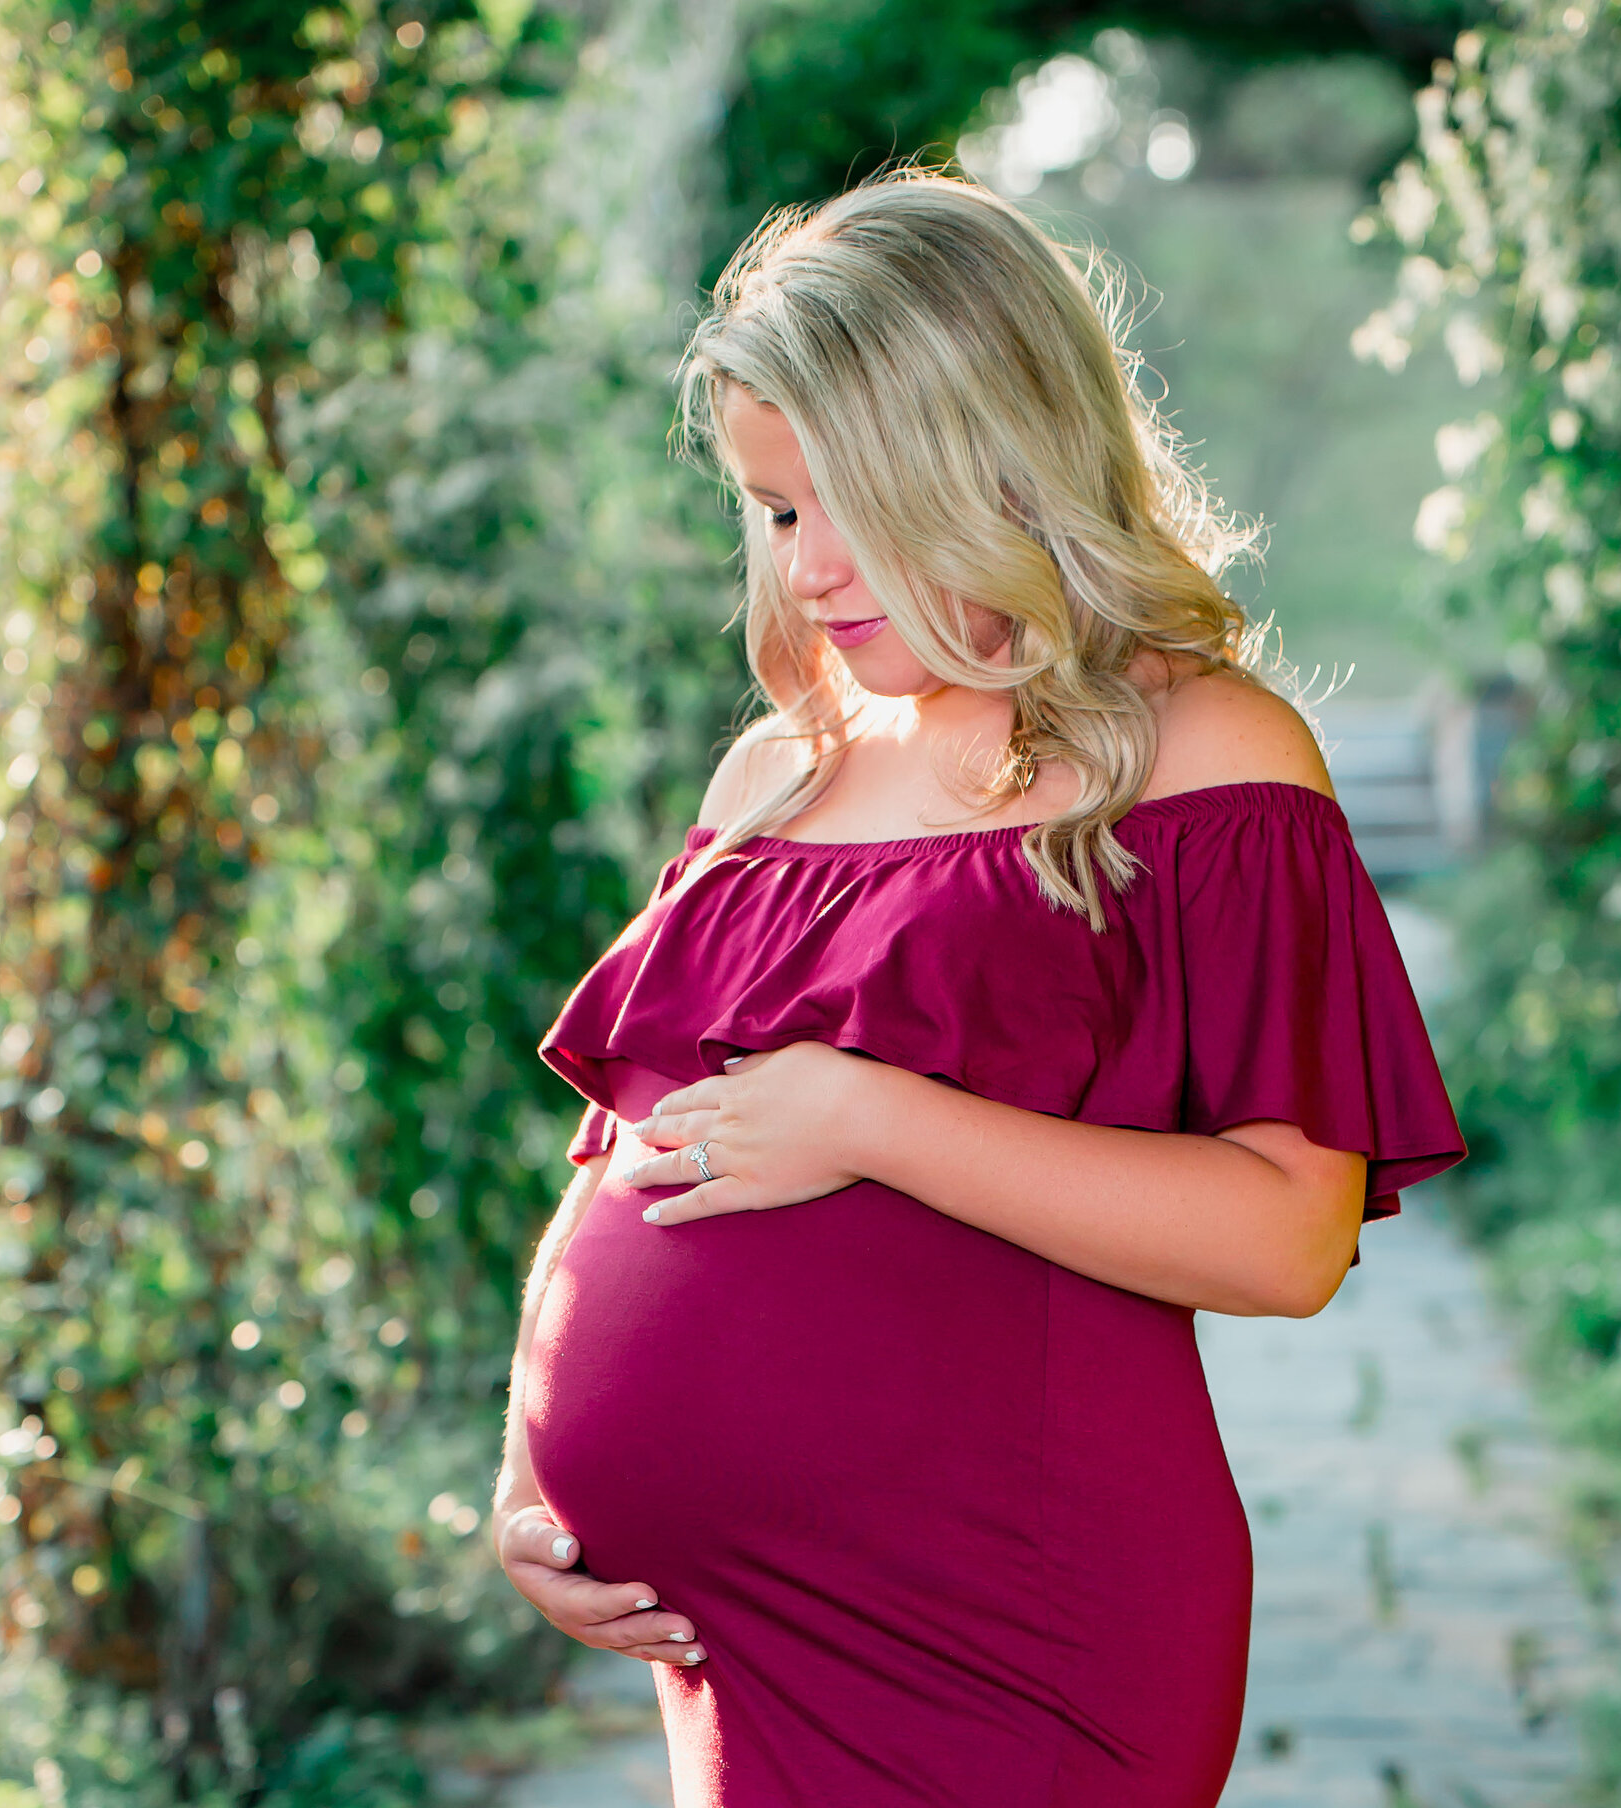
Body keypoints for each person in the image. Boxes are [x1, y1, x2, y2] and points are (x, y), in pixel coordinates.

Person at [489, 170, 1464, 1807]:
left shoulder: (1200, 758)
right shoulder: (774, 779)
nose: (802, 571)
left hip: (1011, 1636)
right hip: (733, 1646)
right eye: (775, 511)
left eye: (842, 505)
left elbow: (1287, 1235)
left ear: (997, 455)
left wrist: (875, 1118)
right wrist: (530, 1469)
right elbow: (629, 1150)